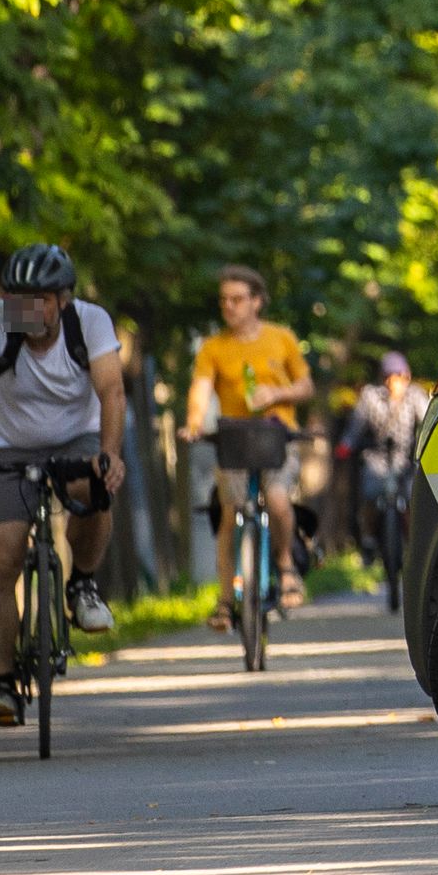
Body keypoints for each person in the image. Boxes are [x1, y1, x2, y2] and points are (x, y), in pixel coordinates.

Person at [0, 245, 127, 726]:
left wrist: (108, 452)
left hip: (77, 437)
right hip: (9, 445)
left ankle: (83, 584)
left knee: (97, 489)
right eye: (17, 297)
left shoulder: (90, 323)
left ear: (63, 300)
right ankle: (4, 685)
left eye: (40, 299)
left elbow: (111, 390)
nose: (27, 308)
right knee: (3, 554)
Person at [188, 264, 315, 624]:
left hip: (277, 436)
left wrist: (277, 392)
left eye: (238, 299)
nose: (229, 306)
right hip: (234, 439)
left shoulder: (281, 338)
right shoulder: (214, 347)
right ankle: (225, 601)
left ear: (257, 302)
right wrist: (194, 423)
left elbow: (306, 387)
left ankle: (286, 567)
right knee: (229, 514)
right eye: (224, 300)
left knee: (276, 500)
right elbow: (200, 387)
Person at [341, 349, 431, 603]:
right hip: (377, 456)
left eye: (400, 376)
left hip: (406, 457)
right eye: (390, 376)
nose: (395, 382)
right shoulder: (371, 397)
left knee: (414, 497)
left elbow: (427, 422)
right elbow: (356, 427)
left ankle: (416, 542)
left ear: (407, 376)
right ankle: (369, 538)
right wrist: (346, 445)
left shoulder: (415, 396)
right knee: (370, 492)